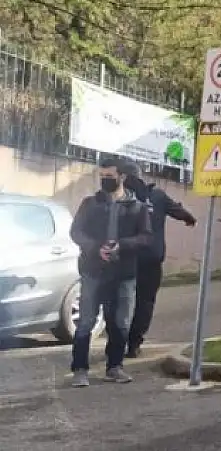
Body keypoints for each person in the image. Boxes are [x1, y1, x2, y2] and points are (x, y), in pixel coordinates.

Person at [68, 158, 153, 387]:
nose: (105, 180)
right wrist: (96, 248)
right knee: (86, 322)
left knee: (120, 323)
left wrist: (122, 246)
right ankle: (79, 370)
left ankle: (114, 367)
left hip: (123, 274)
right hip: (93, 272)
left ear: (122, 177)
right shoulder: (90, 204)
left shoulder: (137, 208)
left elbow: (146, 237)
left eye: (110, 176)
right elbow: (76, 232)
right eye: (102, 176)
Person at [117, 161, 196, 358]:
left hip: (125, 258)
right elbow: (180, 212)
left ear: (123, 177)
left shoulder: (119, 195)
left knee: (120, 301)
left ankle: (118, 341)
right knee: (145, 302)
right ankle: (134, 343)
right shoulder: (157, 196)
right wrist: (189, 219)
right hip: (151, 259)